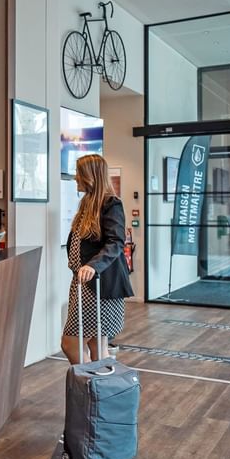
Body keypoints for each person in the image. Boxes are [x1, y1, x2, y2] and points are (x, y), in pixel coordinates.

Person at [61, 154, 133, 364]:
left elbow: (116, 242)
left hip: (99, 284)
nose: (75, 178)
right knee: (96, 343)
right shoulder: (86, 203)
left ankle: (90, 386)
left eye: (79, 174)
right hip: (82, 283)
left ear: (90, 176)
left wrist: (93, 266)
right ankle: (98, 389)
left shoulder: (111, 204)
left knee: (71, 342)